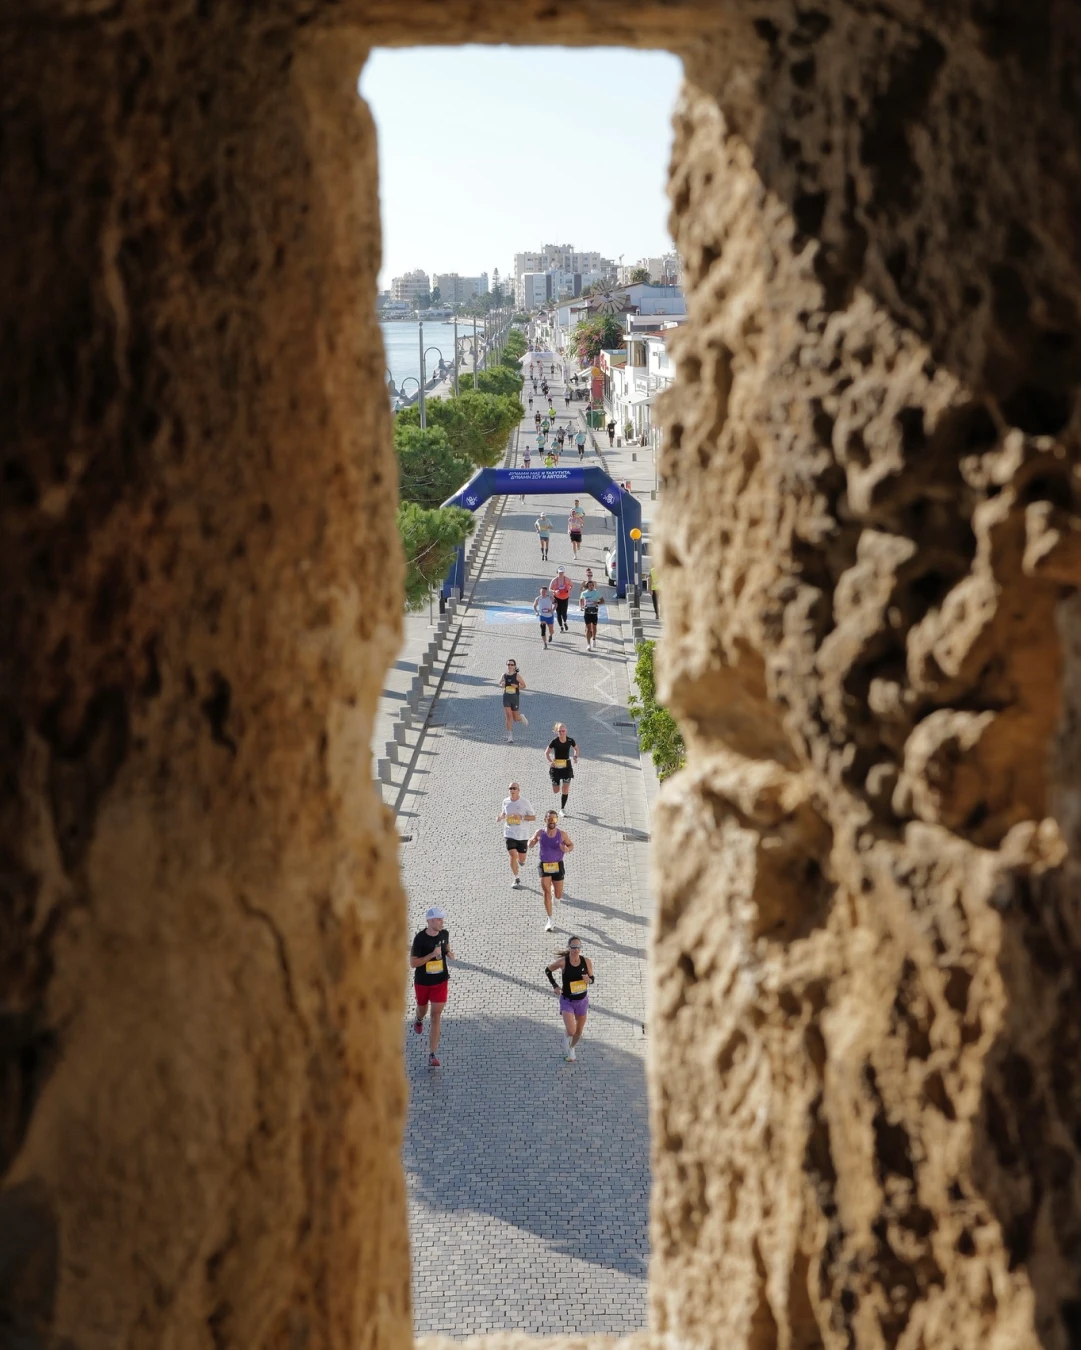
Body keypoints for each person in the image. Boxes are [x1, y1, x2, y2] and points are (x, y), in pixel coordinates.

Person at [410, 907, 455, 1067]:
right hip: (423, 982)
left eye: (442, 919)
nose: (442, 922)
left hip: (440, 982)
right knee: (422, 1009)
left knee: (436, 1016)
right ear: (429, 921)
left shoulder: (444, 934)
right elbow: (413, 963)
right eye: (438, 919)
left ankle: (432, 1054)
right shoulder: (420, 939)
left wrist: (448, 953)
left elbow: (446, 947)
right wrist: (431, 955)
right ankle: (419, 1019)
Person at [546, 936, 594, 1061]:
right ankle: (566, 1037)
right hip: (567, 1001)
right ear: (569, 947)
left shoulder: (586, 961)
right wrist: (555, 986)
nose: (576, 950)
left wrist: (589, 980)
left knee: (578, 1032)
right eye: (573, 947)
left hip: (582, 1001)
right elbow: (548, 970)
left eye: (578, 947)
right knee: (572, 1031)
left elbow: (592, 979)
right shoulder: (563, 962)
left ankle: (571, 1048)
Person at [529, 810, 574, 931]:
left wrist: (567, 849)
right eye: (549, 819)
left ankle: (556, 897)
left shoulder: (562, 834)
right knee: (546, 892)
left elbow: (571, 845)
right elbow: (531, 842)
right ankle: (550, 920)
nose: (552, 821)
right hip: (544, 865)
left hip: (557, 865)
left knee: (558, 894)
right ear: (545, 820)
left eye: (554, 819)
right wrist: (530, 843)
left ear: (556, 820)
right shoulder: (540, 832)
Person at [497, 781, 537, 888]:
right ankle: (516, 878)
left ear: (518, 790)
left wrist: (521, 817)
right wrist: (500, 817)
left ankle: (521, 860)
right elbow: (504, 813)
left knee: (521, 859)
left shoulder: (525, 802)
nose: (512, 790)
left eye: (514, 788)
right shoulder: (505, 801)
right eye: (510, 788)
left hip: (522, 834)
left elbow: (533, 817)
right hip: (509, 832)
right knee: (512, 855)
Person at [546, 722, 579, 813]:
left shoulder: (570, 740)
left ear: (566, 731)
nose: (561, 733)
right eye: (559, 731)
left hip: (566, 767)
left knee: (565, 789)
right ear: (557, 731)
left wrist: (575, 757)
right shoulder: (554, 741)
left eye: (563, 731)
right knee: (556, 790)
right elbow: (547, 753)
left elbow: (576, 749)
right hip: (556, 767)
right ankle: (558, 784)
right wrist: (550, 761)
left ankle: (562, 809)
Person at [499, 658, 529, 742]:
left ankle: (521, 717)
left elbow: (524, 685)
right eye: (508, 664)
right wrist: (502, 684)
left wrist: (517, 686)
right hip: (506, 697)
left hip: (515, 697)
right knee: (509, 716)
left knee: (516, 719)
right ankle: (510, 736)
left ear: (514, 666)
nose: (510, 666)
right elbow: (500, 683)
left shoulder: (517, 676)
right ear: (506, 665)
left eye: (512, 665)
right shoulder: (504, 675)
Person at [579, 576, 605, 650]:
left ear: (593, 586)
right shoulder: (584, 593)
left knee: (594, 627)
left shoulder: (597, 593)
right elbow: (581, 601)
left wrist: (597, 602)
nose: (591, 586)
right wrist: (581, 606)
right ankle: (588, 644)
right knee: (588, 628)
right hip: (587, 612)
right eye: (589, 585)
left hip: (594, 612)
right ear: (587, 586)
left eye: (592, 585)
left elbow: (603, 601)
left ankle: (593, 639)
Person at [550, 567, 572, 632]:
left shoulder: (567, 579)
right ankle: (561, 627)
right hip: (557, 598)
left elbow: (572, 585)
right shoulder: (554, 580)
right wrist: (555, 591)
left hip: (565, 598)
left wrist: (569, 590)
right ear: (557, 572)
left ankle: (565, 622)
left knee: (564, 612)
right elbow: (550, 588)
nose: (561, 574)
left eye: (562, 572)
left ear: (564, 572)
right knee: (558, 613)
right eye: (560, 572)